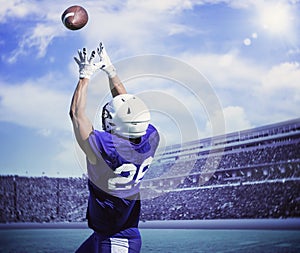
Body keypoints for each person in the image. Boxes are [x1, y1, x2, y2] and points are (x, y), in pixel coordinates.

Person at [69, 43, 160, 253]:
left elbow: (76, 115)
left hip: (118, 239)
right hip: (105, 234)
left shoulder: (106, 148)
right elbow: (128, 108)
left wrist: (85, 76)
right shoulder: (150, 137)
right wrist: (112, 73)